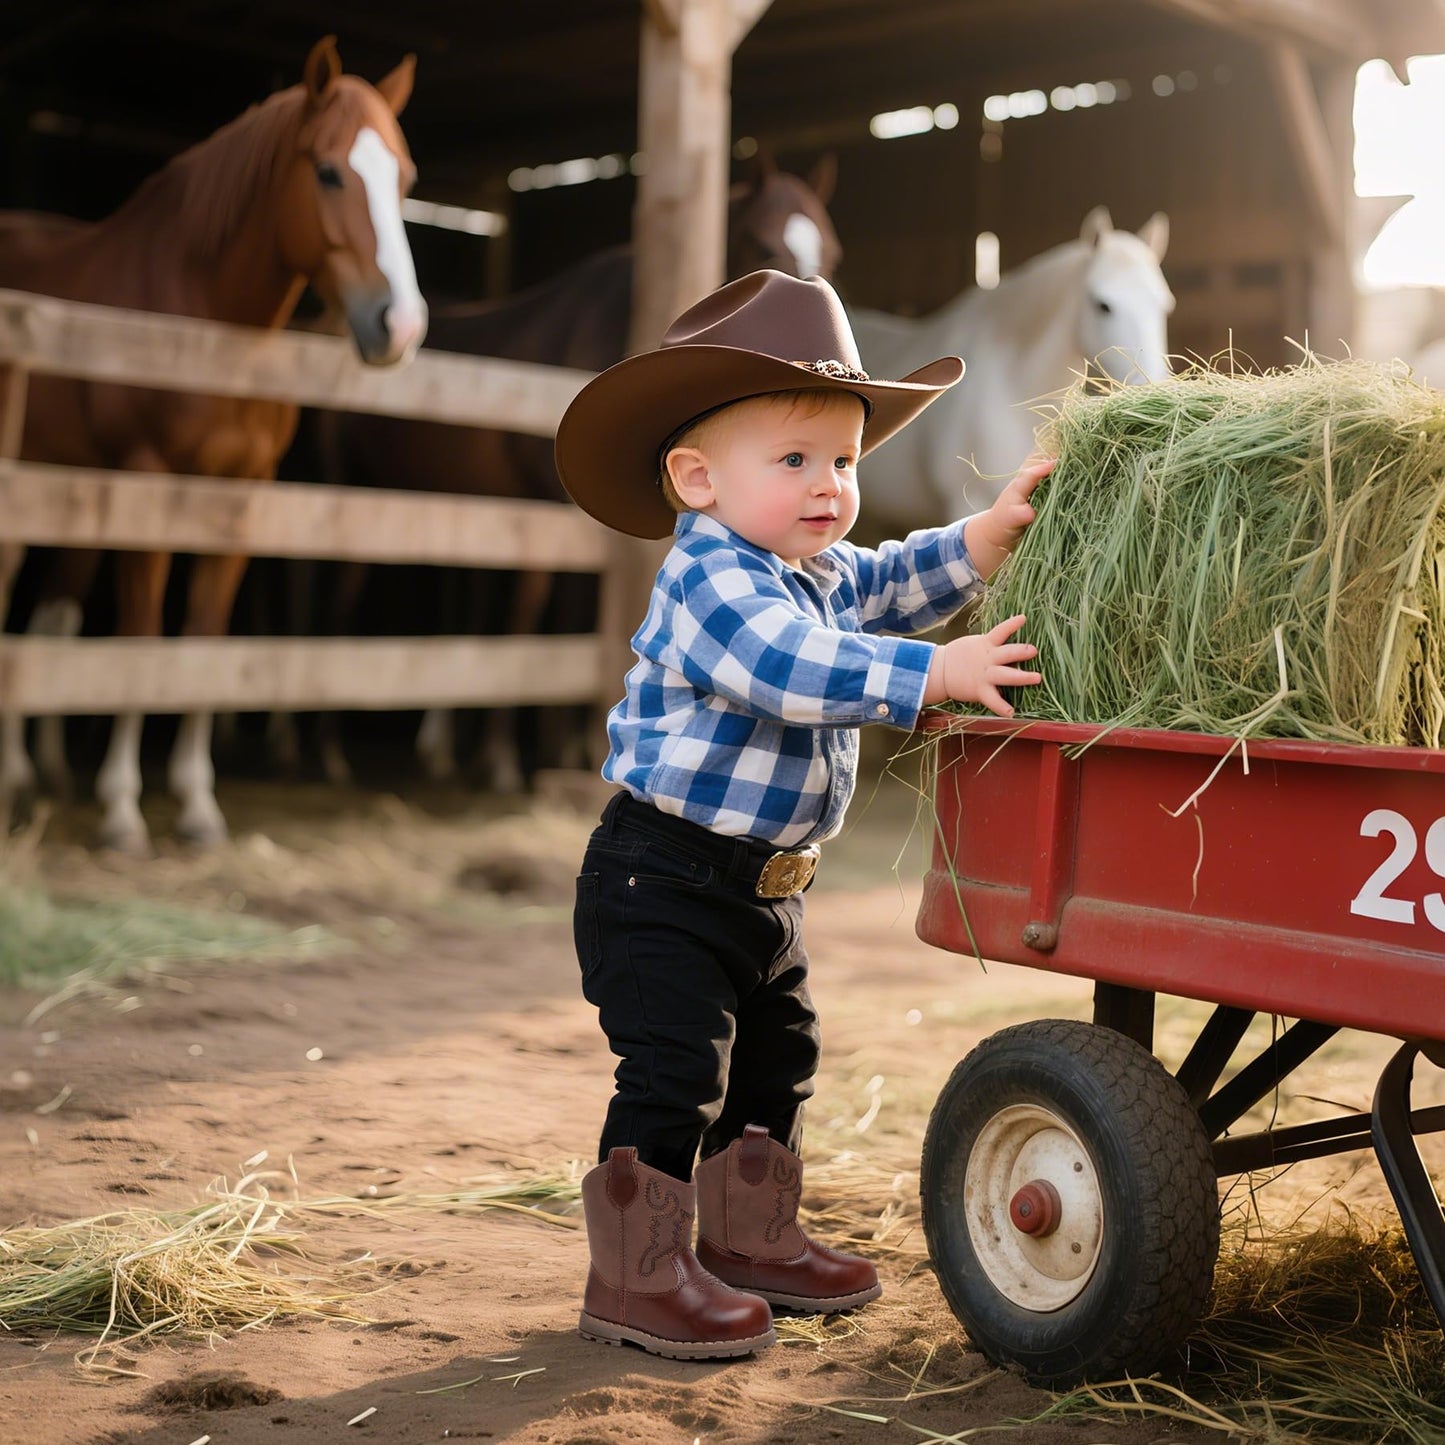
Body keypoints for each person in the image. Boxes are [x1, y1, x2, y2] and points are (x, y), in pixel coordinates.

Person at [553, 269, 1051, 1361]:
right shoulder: (710, 582)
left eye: (842, 459)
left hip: (761, 893)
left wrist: (981, 539)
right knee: (677, 1071)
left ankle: (744, 1236)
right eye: (793, 460)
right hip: (660, 881)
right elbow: (795, 668)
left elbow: (881, 578)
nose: (827, 484)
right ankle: (633, 1275)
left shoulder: (809, 566)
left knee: (779, 1058)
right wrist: (932, 670)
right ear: (695, 478)